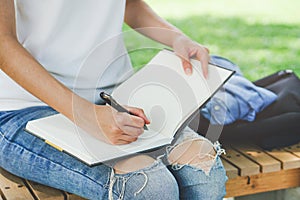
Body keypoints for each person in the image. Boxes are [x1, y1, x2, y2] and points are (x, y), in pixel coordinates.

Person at [0, 0, 227, 199]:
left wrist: (176, 37)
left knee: (204, 169)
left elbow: (129, 3)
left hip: (115, 98)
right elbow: (3, 44)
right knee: (149, 186)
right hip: (24, 107)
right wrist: (86, 115)